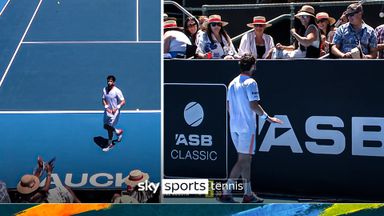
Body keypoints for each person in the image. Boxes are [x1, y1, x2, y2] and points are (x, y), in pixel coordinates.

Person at [219, 54, 283, 203]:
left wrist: (236, 117)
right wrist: (267, 118)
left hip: (234, 126)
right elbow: (253, 105)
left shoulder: (232, 82)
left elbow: (228, 105)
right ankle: (225, 192)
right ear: (253, 66)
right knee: (243, 161)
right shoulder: (251, 82)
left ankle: (247, 194)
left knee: (245, 160)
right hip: (246, 128)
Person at [15, 157, 80, 203]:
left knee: (66, 188)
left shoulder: (24, 193)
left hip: (43, 199)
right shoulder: (33, 196)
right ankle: (81, 206)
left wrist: (40, 167)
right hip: (48, 203)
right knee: (67, 189)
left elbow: (36, 177)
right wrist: (49, 172)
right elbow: (46, 189)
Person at [102, 75, 125, 152]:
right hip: (107, 111)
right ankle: (118, 132)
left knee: (109, 128)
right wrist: (106, 107)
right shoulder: (104, 89)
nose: (109, 82)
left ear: (114, 82)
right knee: (105, 126)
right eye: (108, 81)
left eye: (111, 81)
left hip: (114, 112)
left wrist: (117, 107)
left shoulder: (117, 91)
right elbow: (103, 99)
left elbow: (123, 101)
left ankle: (110, 144)